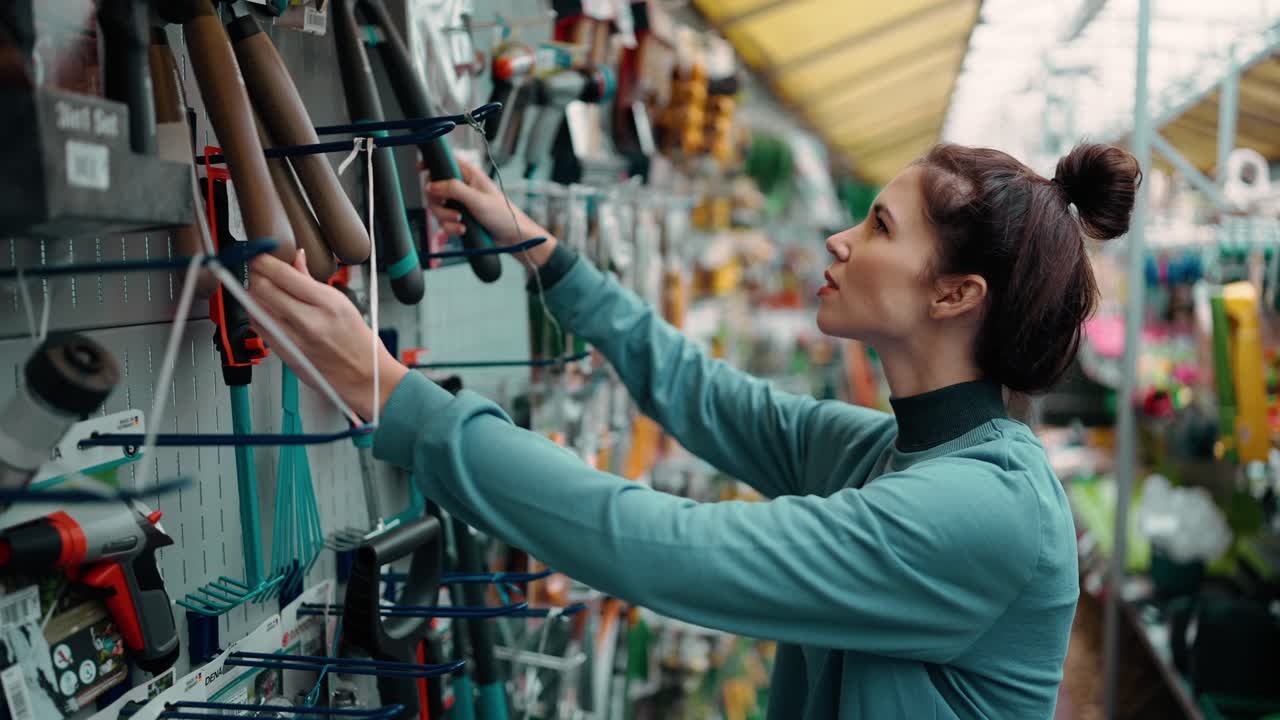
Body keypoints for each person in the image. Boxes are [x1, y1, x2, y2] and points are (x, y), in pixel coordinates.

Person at [247, 141, 1140, 719]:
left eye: (878, 225)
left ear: (954, 295)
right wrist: (545, 254)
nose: (838, 241)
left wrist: (394, 395)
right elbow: (711, 399)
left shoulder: (983, 512)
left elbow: (665, 545)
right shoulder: (897, 454)